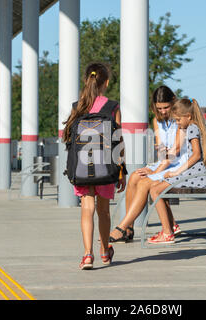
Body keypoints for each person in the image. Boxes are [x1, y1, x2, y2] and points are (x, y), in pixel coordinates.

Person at [62, 63, 126, 270]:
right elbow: (118, 140)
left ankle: (87, 255)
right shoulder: (113, 107)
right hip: (105, 167)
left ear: (86, 81)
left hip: (82, 168)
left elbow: (68, 140)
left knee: (87, 209)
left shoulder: (77, 107)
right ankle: (105, 251)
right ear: (106, 82)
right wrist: (121, 170)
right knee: (104, 211)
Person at [109, 86, 184, 243]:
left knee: (144, 183)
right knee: (135, 176)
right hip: (165, 163)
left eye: (166, 107)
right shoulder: (157, 121)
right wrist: (154, 168)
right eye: (159, 108)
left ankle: (122, 227)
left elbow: (175, 152)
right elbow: (162, 151)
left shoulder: (181, 119)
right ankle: (129, 228)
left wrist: (155, 171)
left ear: (173, 102)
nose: (163, 111)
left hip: (180, 165)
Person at [147, 98, 206, 244]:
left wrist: (177, 172)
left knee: (155, 191)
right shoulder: (191, 127)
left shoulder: (192, 128)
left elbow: (196, 155)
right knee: (156, 187)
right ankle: (169, 228)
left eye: (178, 120)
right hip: (194, 173)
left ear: (188, 116)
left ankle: (167, 232)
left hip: (195, 174)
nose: (177, 123)